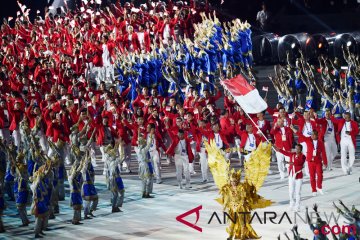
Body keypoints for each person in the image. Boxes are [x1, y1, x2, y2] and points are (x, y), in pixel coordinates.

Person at [291, 126, 327, 196]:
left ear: (317, 135)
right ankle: (314, 190)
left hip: (318, 161)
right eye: (311, 134)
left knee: (320, 175)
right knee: (312, 176)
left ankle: (319, 187)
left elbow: (324, 153)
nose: (312, 136)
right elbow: (300, 135)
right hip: (310, 161)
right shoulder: (308, 140)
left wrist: (325, 162)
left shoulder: (320, 143)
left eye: (314, 135)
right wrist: (293, 129)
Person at [274, 144, 306, 212]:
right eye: (296, 148)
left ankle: (297, 206)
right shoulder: (292, 154)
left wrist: (288, 162)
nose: (297, 150)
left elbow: (298, 163)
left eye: (298, 149)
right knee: (291, 191)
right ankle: (292, 203)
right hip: (291, 175)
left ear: (301, 150)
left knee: (298, 192)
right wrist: (278, 149)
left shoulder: (303, 156)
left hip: (298, 176)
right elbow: (285, 153)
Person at [104, 143, 125, 211]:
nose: (115, 154)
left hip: (115, 177)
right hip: (114, 178)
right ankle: (114, 207)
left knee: (119, 192)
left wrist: (118, 145)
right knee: (116, 193)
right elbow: (122, 157)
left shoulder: (111, 159)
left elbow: (120, 156)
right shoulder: (113, 160)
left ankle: (115, 205)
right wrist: (121, 147)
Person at [137, 133, 154, 198]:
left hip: (140, 165)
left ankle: (143, 192)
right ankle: (147, 193)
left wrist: (139, 134)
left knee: (143, 180)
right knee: (148, 179)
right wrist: (150, 137)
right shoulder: (144, 150)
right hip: (145, 165)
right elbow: (149, 145)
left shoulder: (138, 149)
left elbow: (139, 140)